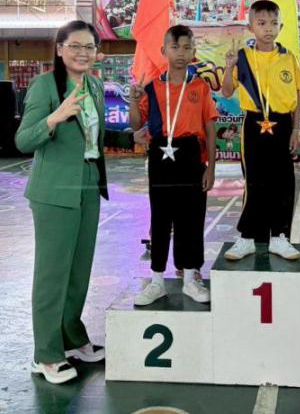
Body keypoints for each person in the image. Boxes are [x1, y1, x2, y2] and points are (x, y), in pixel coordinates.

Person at [15, 20, 108, 385]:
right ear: (59, 49)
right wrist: (55, 117)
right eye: (75, 46)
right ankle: (46, 354)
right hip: (54, 191)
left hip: (88, 185)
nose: (83, 53)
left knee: (78, 271)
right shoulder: (45, 86)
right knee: (52, 275)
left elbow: (93, 138)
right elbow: (24, 140)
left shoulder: (95, 85)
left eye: (89, 47)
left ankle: (71, 337)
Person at [129, 25, 218, 305]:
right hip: (160, 156)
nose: (181, 53)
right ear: (163, 50)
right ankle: (157, 281)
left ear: (194, 52)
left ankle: (190, 278)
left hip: (191, 156)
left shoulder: (200, 87)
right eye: (175, 47)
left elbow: (210, 129)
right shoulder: (152, 87)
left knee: (191, 219)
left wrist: (211, 167)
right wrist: (133, 102)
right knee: (160, 219)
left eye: (187, 48)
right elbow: (137, 124)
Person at [222, 0, 300, 261]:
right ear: (251, 27)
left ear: (281, 26)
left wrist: (296, 129)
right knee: (254, 180)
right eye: (261, 23)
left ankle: (279, 237)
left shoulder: (288, 57)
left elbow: (298, 96)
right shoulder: (243, 58)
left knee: (283, 180)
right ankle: (247, 237)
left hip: (283, 123)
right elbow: (227, 91)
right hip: (253, 122)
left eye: (273, 23)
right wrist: (229, 67)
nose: (268, 28)